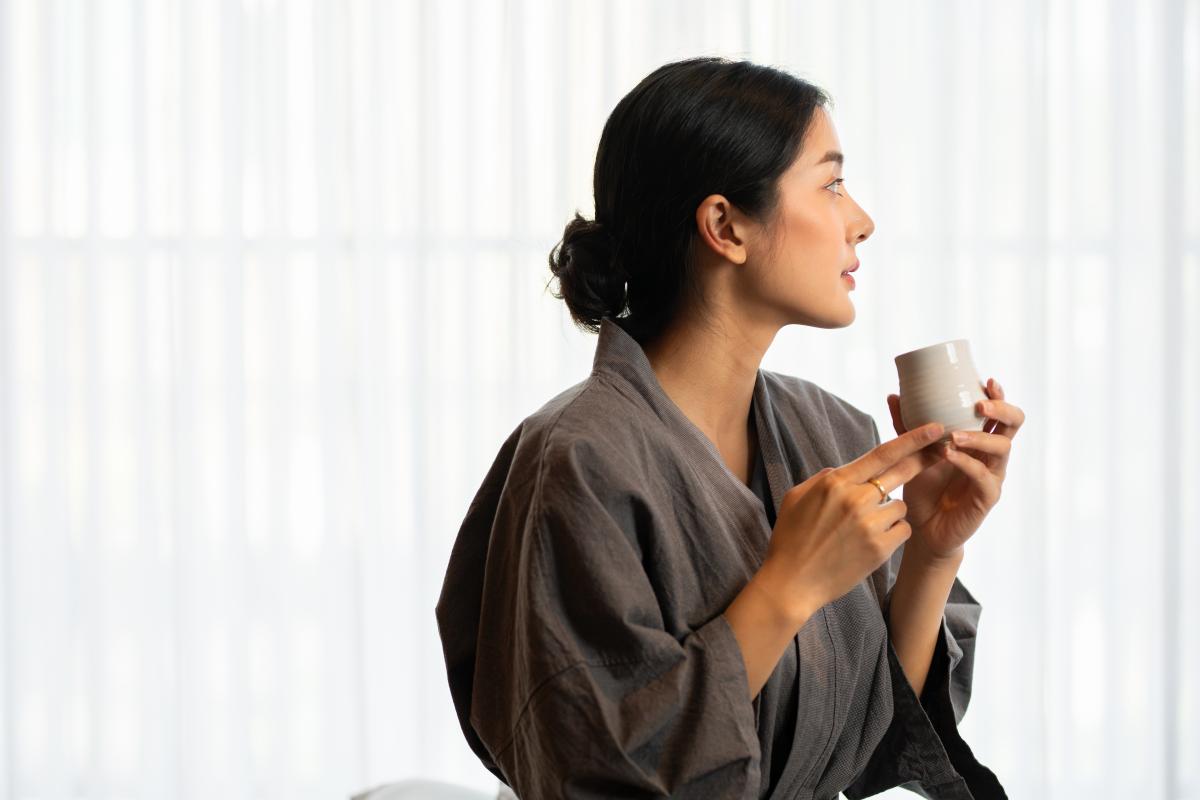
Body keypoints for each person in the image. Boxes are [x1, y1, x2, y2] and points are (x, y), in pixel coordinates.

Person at [436, 56, 1023, 800]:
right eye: (832, 183)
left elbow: (876, 752)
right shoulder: (578, 462)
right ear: (725, 226)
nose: (862, 221)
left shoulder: (829, 431)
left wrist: (935, 550)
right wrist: (788, 586)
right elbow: (589, 769)